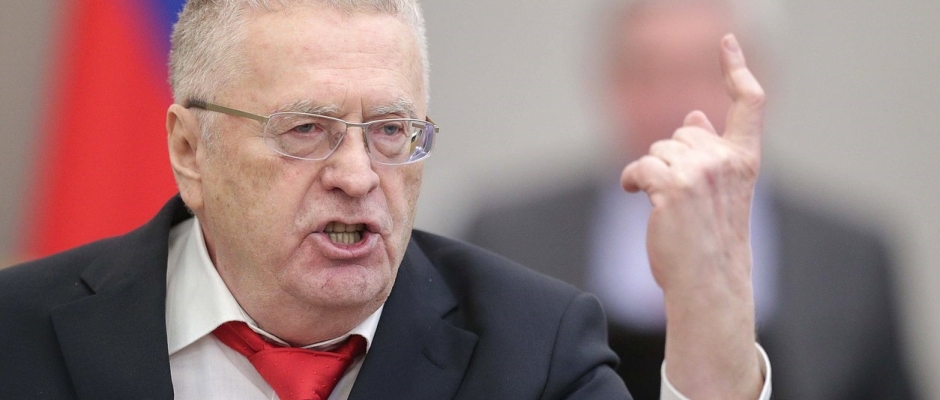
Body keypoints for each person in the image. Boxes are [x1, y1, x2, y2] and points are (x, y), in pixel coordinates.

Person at [0, 1, 771, 399]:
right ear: (189, 150)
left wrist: (712, 316)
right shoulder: (19, 333)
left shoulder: (532, 350)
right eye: (306, 129)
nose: (359, 175)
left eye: (391, 131)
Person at [464, 0, 916, 399]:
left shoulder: (850, 255)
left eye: (702, 71)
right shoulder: (505, 236)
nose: (671, 100)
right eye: (645, 71)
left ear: (760, 82)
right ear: (605, 80)